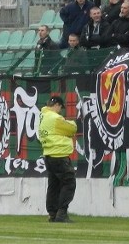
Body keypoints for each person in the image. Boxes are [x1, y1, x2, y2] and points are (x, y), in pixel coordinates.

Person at [39, 95, 78, 223]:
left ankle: (52, 213)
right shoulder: (54, 118)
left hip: (48, 154)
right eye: (60, 108)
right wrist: (72, 123)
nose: (60, 111)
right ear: (57, 105)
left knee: (53, 185)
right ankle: (62, 213)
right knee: (69, 183)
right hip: (59, 155)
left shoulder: (42, 116)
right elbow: (71, 129)